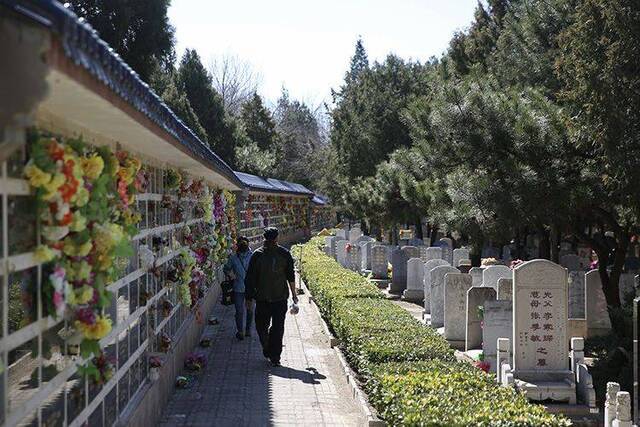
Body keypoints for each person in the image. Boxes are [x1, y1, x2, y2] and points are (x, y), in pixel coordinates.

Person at [245, 227, 298, 366]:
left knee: (269, 327)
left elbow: (250, 279)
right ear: (277, 238)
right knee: (271, 327)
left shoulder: (279, 254)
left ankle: (273, 354)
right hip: (270, 298)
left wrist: (248, 298)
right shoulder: (260, 255)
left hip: (272, 298)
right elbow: (290, 276)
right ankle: (272, 352)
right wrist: (294, 295)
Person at [223, 236, 254, 340]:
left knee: (250, 309)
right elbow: (226, 268)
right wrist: (231, 275)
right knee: (239, 310)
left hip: (250, 288)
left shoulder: (253, 256)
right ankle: (240, 331)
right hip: (238, 288)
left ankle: (248, 329)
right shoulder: (233, 258)